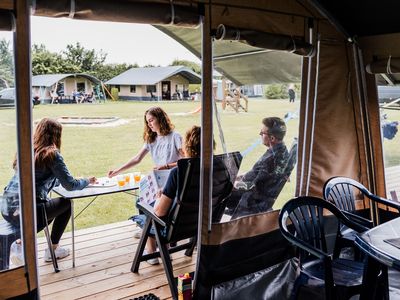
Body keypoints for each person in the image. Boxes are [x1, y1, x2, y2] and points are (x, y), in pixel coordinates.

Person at [2, 118, 97, 264]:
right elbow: (70, 186)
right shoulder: (52, 154)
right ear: (56, 135)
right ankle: (51, 250)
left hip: (7, 208)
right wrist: (86, 181)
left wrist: (69, 180)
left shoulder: (26, 149)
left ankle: (20, 243)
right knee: (65, 205)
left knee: (50, 207)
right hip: (26, 211)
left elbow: (39, 177)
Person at [140, 125, 202, 265]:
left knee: (145, 206)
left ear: (187, 146)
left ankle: (152, 253)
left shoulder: (179, 172)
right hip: (199, 223)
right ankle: (164, 251)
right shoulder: (215, 167)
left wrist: (158, 198)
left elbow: (159, 212)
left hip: (176, 228)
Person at [226, 117, 289, 219]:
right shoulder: (282, 152)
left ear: (272, 138)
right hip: (258, 200)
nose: (260, 135)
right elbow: (257, 174)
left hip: (249, 202)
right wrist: (239, 177)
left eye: (262, 133)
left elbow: (250, 185)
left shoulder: (270, 160)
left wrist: (233, 184)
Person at [108, 106, 183, 176]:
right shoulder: (151, 139)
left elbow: (187, 160)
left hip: (174, 177)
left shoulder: (175, 136)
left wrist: (166, 166)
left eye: (151, 120)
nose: (149, 124)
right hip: (160, 177)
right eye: (147, 122)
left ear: (160, 119)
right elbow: (137, 159)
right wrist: (117, 171)